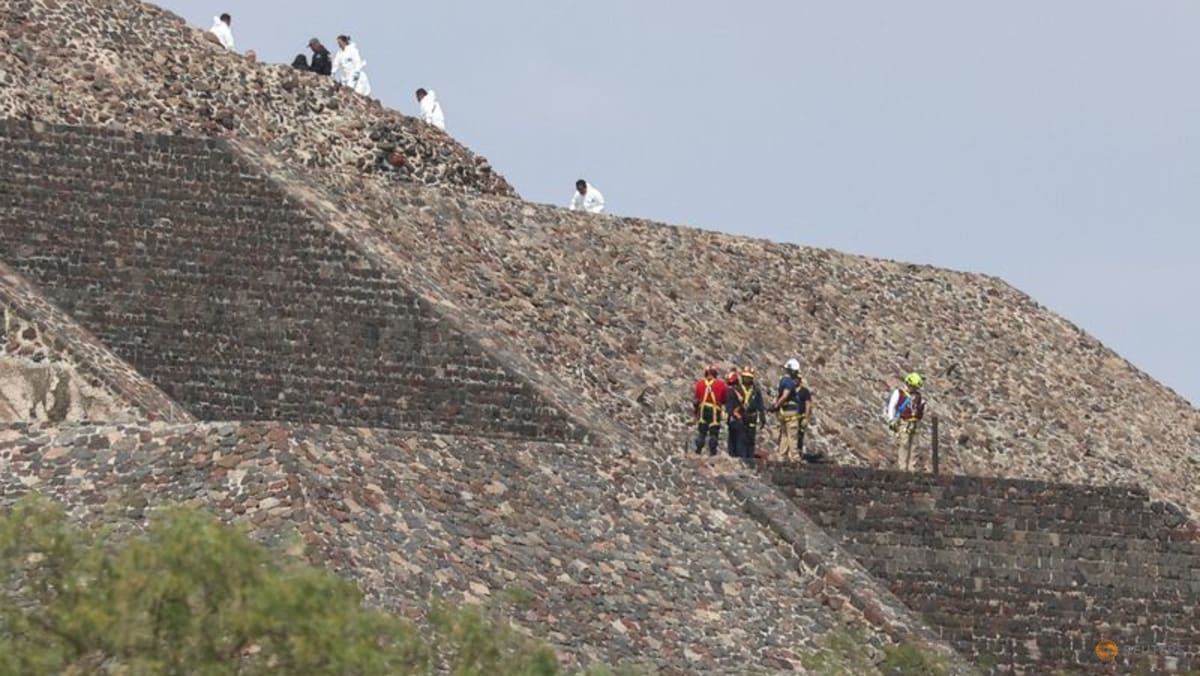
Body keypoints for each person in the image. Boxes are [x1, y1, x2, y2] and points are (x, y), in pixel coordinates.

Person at [885, 372, 928, 471]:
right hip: (904, 421)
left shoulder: (918, 396)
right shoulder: (899, 393)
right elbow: (892, 406)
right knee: (904, 444)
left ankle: (912, 467)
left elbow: (921, 408)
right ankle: (903, 467)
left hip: (915, 423)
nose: (915, 389)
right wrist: (891, 419)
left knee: (914, 445)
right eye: (914, 386)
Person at [773, 358, 809, 462]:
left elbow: (780, 396)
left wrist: (776, 405)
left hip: (783, 412)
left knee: (784, 434)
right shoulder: (789, 383)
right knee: (792, 435)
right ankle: (795, 457)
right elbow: (785, 396)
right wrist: (777, 405)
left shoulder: (783, 381)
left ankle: (781, 455)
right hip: (791, 411)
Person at [728, 367, 766, 461]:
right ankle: (742, 457)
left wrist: (762, 417)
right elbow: (732, 404)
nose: (747, 380)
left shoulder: (756, 391)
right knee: (741, 439)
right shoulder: (738, 389)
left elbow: (760, 404)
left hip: (751, 417)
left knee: (751, 439)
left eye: (749, 378)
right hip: (740, 418)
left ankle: (750, 457)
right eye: (745, 377)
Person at [692, 364, 727, 456]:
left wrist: (696, 412)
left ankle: (698, 450)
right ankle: (712, 451)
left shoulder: (700, 384)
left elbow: (696, 400)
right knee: (713, 432)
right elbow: (724, 399)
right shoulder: (721, 384)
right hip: (715, 411)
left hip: (703, 410)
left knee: (702, 432)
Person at [723, 369, 741, 457]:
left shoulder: (727, 390)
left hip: (731, 415)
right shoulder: (737, 390)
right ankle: (735, 453)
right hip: (736, 415)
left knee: (732, 436)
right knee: (737, 436)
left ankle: (732, 453)